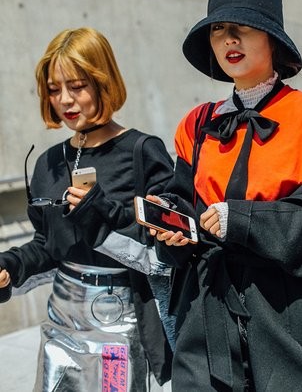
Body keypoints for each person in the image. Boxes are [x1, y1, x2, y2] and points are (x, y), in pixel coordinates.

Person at [146, 0, 302, 391]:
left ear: (273, 41)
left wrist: (245, 220)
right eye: (218, 29)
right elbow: (182, 200)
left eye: (243, 28)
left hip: (287, 313)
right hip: (205, 309)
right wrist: (172, 225)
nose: (228, 39)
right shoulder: (197, 124)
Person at [0, 27, 175, 391]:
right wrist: (10, 267)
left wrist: (106, 213)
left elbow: (165, 250)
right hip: (61, 317)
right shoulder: (49, 161)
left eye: (77, 85)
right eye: (54, 89)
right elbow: (47, 247)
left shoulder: (142, 152)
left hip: (120, 320)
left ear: (103, 81)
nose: (65, 99)